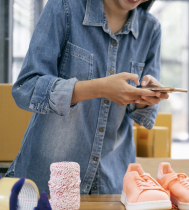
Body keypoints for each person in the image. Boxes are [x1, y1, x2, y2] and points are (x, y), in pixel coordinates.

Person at [5, 0, 168, 195]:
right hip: (47, 184)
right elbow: (26, 87)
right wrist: (99, 88)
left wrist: (146, 97)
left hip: (112, 186)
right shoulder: (63, 7)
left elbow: (143, 116)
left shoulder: (151, 29)